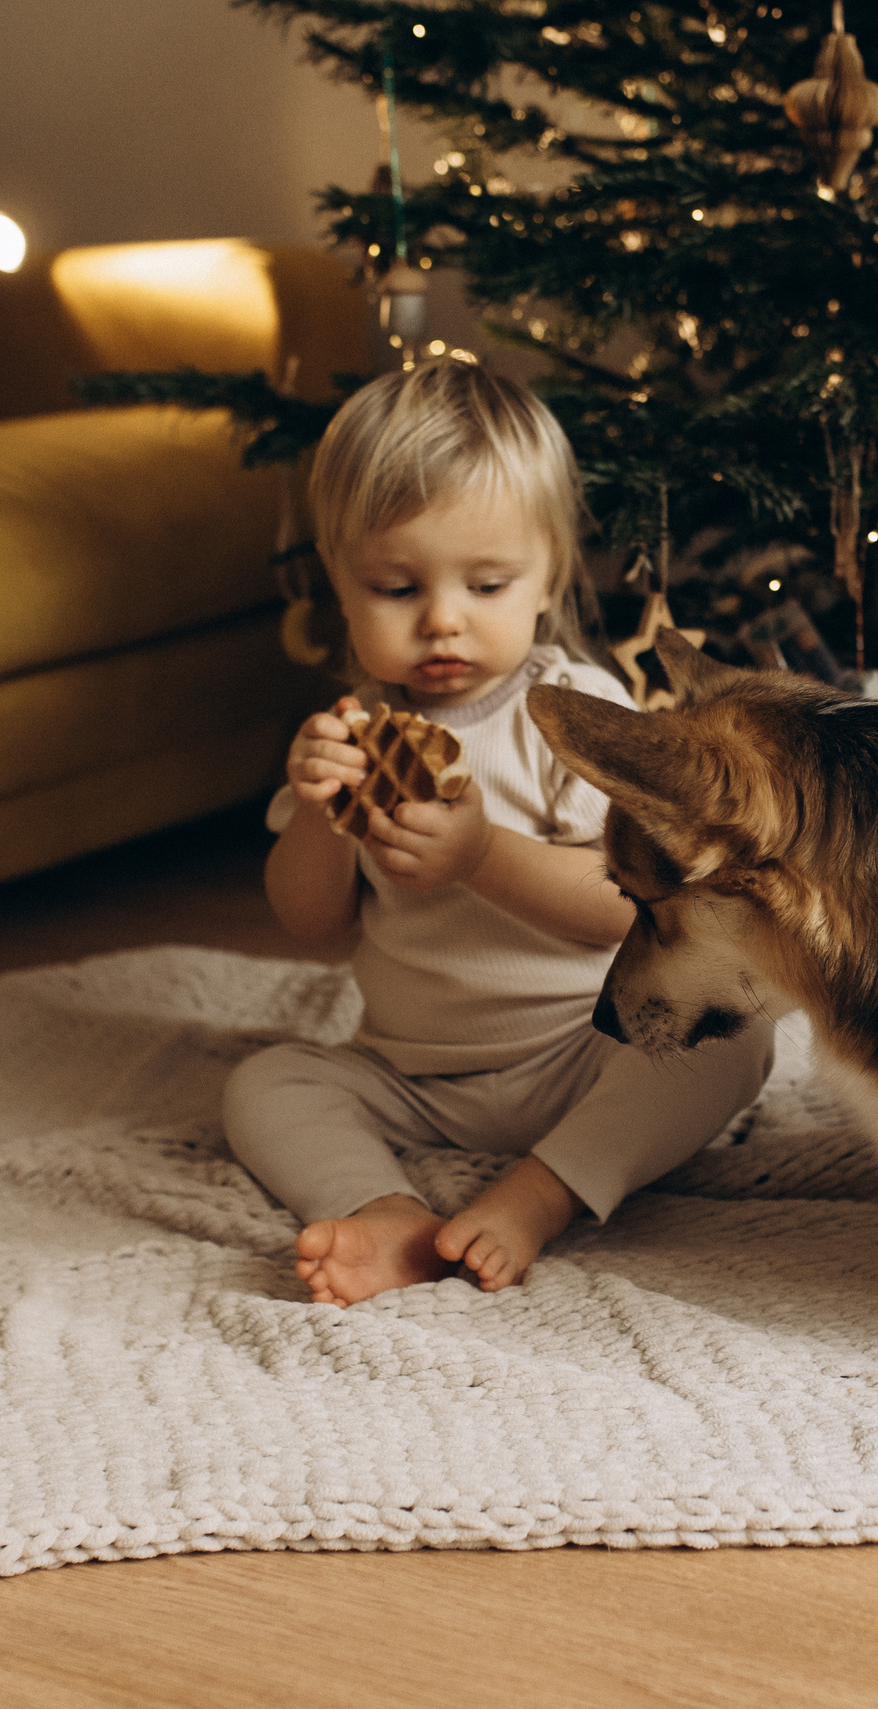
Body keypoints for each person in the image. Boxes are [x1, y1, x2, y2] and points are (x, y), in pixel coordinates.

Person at [225, 359, 774, 1306]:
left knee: (734, 1039)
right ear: (339, 587)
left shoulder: (574, 716)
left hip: (586, 1046)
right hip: (411, 1072)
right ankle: (386, 1210)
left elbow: (630, 914)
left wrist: (479, 857)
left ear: (546, 577)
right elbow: (308, 920)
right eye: (396, 587)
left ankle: (543, 1191)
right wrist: (318, 813)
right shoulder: (350, 737)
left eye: (486, 583)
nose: (443, 620)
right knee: (264, 1083)